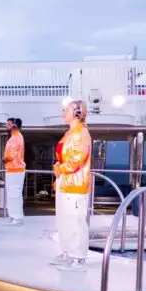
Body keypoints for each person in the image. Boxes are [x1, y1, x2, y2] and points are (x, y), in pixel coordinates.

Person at [51, 100, 92, 272]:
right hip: (65, 182)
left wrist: (60, 169)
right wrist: (58, 169)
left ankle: (78, 258)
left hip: (76, 184)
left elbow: (77, 160)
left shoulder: (82, 133)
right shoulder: (68, 134)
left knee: (75, 221)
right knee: (64, 220)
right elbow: (62, 157)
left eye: (68, 109)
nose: (64, 111)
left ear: (77, 113)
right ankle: (67, 252)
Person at [3, 117, 26, 226]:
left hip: (15, 170)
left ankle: (17, 218)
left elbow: (11, 156)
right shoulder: (15, 137)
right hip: (13, 169)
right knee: (13, 194)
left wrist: (5, 159)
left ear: (14, 125)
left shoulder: (16, 138)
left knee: (14, 194)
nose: (7, 125)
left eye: (9, 124)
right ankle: (14, 216)